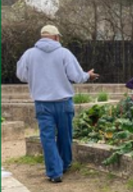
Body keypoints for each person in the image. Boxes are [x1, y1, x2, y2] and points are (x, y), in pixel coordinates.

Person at [16, 24, 98, 183]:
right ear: (56, 37)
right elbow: (76, 76)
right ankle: (65, 164)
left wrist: (36, 76)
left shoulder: (29, 54)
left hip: (42, 103)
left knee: (47, 138)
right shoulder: (64, 53)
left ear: (42, 37)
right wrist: (88, 75)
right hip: (63, 101)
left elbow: (21, 75)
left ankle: (54, 172)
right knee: (64, 135)